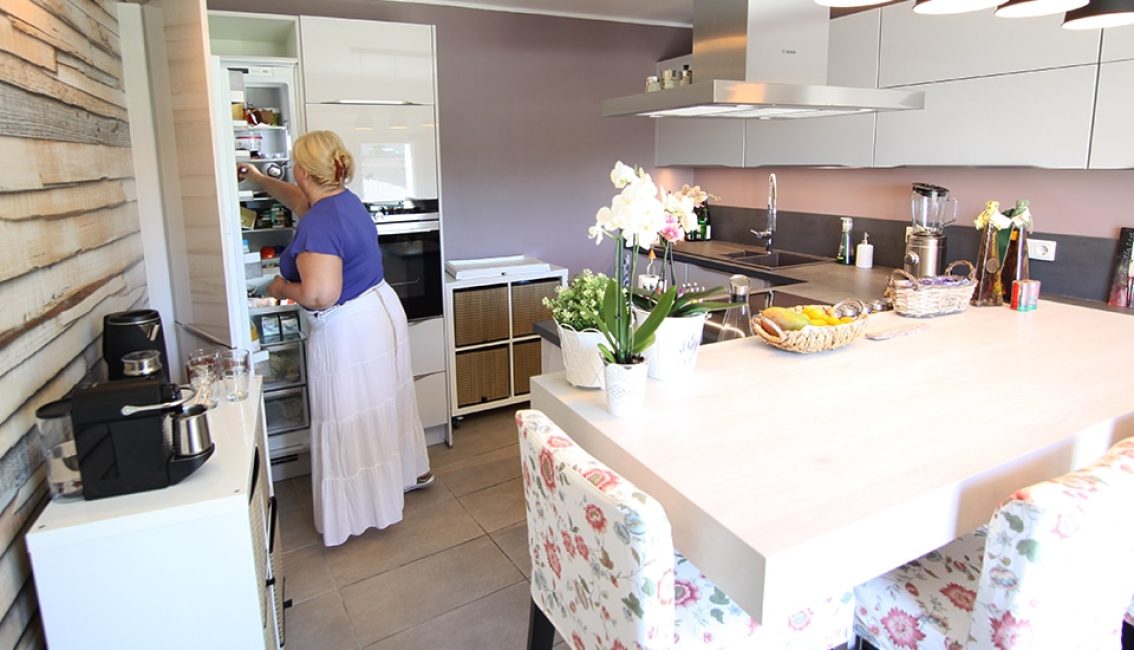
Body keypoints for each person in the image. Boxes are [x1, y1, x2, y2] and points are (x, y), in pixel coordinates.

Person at [239, 130, 432, 547]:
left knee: (350, 415)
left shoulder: (320, 224)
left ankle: (360, 510)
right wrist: (257, 178)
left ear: (303, 171)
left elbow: (319, 294)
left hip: (350, 329)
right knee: (381, 404)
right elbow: (298, 199)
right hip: (379, 309)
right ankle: (399, 479)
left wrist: (279, 287)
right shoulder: (342, 200)